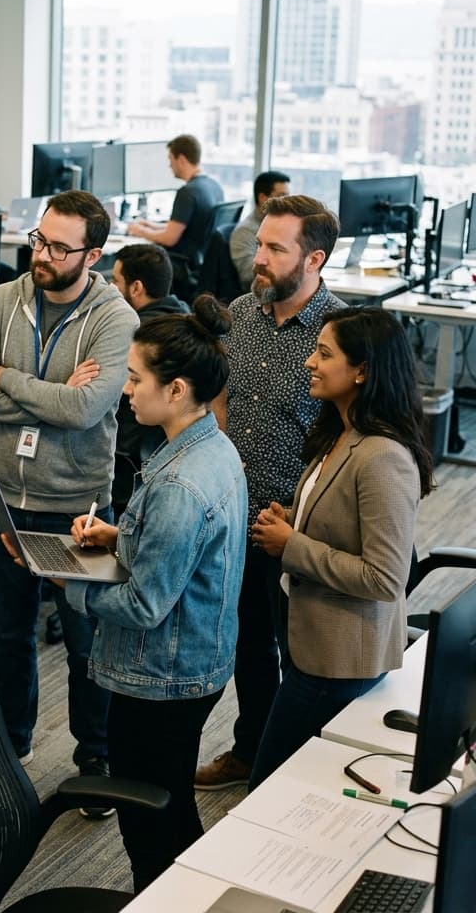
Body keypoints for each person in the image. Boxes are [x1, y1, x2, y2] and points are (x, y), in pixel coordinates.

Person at [62, 295, 247, 892]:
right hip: (197, 660)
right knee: (165, 803)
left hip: (159, 674)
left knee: (152, 820)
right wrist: (121, 535)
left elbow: (144, 606)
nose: (124, 390)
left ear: (176, 390)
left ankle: (167, 900)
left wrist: (70, 584)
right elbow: (188, 551)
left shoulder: (180, 483)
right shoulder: (211, 449)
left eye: (135, 379)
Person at [0, 189, 137, 808]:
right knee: (9, 635)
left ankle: (95, 756)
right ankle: (14, 740)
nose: (43, 254)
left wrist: (9, 379)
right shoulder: (3, 300)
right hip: (5, 496)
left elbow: (88, 410)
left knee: (89, 639)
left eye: (60, 247)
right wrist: (48, 389)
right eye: (40, 239)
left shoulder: (115, 318)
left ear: (93, 254)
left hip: (78, 507)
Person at [195, 194, 345, 791]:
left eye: (275, 249)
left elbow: (359, 432)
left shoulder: (341, 334)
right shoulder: (241, 314)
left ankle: (302, 771)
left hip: (302, 526)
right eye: (259, 243)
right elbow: (224, 400)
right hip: (240, 517)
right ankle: (251, 751)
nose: (259, 257)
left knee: (305, 657)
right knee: (248, 646)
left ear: (315, 260)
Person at [248, 307, 434, 788]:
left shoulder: (383, 457)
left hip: (339, 658)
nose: (310, 361)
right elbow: (340, 520)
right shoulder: (341, 431)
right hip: (311, 639)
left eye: (324, 354)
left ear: (362, 370)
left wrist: (293, 545)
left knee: (269, 785)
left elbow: (385, 578)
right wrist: (295, 518)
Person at [110, 243, 189, 518]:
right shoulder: (183, 318)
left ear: (136, 288)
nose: (110, 287)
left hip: (127, 457)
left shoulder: (137, 336)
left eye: (116, 281)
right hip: (166, 455)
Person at [126, 134, 223, 301]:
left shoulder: (188, 192)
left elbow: (170, 238)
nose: (169, 165)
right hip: (201, 264)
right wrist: (150, 225)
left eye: (170, 158)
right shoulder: (213, 186)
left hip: (182, 265)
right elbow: (189, 227)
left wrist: (139, 231)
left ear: (181, 159)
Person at [229, 170, 292, 292]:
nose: (287, 202)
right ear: (263, 198)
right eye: (282, 196)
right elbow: (247, 274)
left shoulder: (283, 227)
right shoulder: (245, 231)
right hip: (261, 294)